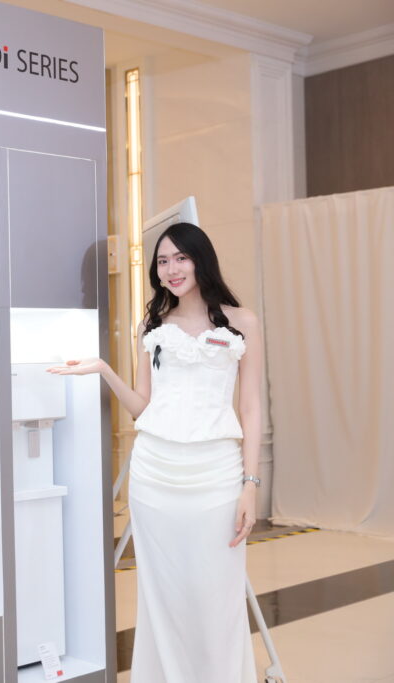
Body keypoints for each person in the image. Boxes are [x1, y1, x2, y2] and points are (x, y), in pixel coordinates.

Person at [48, 222, 261, 682]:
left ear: (201, 259)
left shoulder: (241, 322)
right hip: (155, 475)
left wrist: (250, 484)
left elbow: (251, 407)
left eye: (180, 258)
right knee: (163, 597)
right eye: (162, 261)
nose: (171, 269)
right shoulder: (152, 326)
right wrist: (105, 370)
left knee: (216, 597)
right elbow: (144, 407)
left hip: (217, 475)